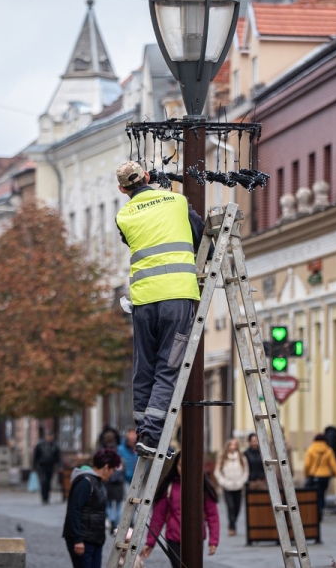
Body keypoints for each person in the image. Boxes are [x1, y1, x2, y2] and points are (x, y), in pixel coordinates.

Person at [114, 160, 205, 457]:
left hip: (143, 301)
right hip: (177, 297)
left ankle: (143, 431)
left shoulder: (123, 215)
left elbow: (134, 239)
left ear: (122, 189)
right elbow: (200, 236)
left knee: (144, 369)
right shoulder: (177, 201)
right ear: (147, 176)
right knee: (168, 367)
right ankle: (152, 435)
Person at [142, 452, 220, 567]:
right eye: (180, 465)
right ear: (176, 466)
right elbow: (158, 516)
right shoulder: (170, 487)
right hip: (173, 539)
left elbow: (213, 516)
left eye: (186, 466)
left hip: (196, 539)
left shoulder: (202, 487)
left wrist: (213, 541)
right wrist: (150, 542)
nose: (183, 469)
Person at [62, 448, 122, 568]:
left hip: (95, 539)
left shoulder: (98, 482)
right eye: (112, 470)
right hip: (83, 540)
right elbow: (74, 510)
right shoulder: (86, 482)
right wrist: (78, 539)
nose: (112, 474)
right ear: (106, 467)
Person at [213, 438, 249, 537]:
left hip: (238, 486)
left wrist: (241, 482)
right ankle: (232, 526)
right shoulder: (223, 458)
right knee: (230, 507)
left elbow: (246, 471)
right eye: (231, 445)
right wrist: (224, 482)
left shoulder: (241, 457)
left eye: (235, 445)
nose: (233, 447)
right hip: (227, 487)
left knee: (237, 507)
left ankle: (233, 522)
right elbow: (217, 472)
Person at [303, 434, 336, 522]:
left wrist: (306, 475)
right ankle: (321, 509)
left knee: (314, 495)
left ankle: (315, 511)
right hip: (325, 476)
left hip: (314, 476)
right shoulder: (328, 450)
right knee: (322, 494)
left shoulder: (311, 449)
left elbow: (306, 465)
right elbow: (334, 464)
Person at [98, 427, 126, 533]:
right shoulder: (118, 450)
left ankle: (112, 519)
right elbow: (124, 464)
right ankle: (116, 525)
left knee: (108, 504)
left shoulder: (103, 451)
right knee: (118, 506)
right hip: (119, 482)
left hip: (108, 482)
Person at [33, 432, 62, 505]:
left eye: (51, 437)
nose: (49, 438)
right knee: (44, 481)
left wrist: (60, 466)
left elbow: (58, 457)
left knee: (48, 482)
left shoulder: (55, 446)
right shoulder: (40, 445)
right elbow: (36, 456)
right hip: (42, 466)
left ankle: (47, 497)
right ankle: (44, 497)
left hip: (51, 465)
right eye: (48, 436)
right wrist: (34, 466)